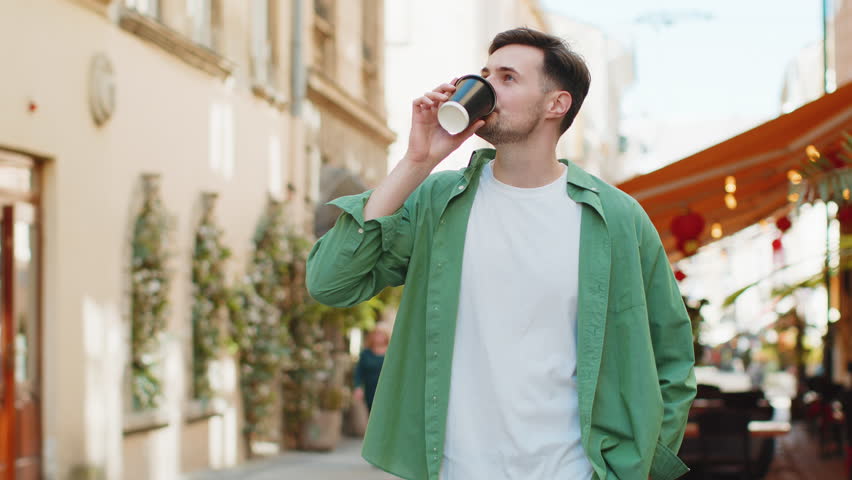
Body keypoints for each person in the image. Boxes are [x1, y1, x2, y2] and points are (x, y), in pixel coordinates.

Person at [307, 27, 696, 480]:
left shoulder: (617, 218)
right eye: (485, 73)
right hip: (455, 470)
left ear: (556, 104)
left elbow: (672, 356)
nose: (486, 87)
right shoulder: (435, 200)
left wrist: (640, 466)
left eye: (508, 78)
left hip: (572, 471)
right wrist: (417, 161)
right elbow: (329, 283)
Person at [353, 324, 389, 413]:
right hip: (370, 391)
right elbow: (359, 372)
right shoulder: (365, 353)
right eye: (376, 333)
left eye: (381, 334)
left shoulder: (391, 352)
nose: (378, 336)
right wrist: (358, 387)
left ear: (386, 336)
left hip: (387, 390)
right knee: (372, 413)